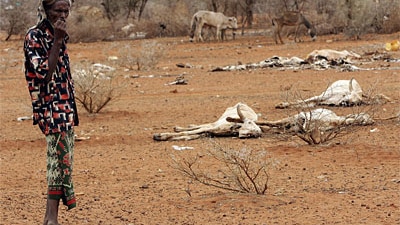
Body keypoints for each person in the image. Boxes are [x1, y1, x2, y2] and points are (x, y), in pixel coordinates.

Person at [23, 1, 78, 224]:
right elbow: (44, 73)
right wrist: (57, 40)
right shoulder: (34, 36)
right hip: (49, 106)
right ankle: (51, 218)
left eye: (66, 11)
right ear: (46, 10)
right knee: (57, 158)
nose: (63, 15)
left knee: (62, 159)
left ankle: (50, 217)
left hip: (65, 106)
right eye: (58, 10)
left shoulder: (58, 34)